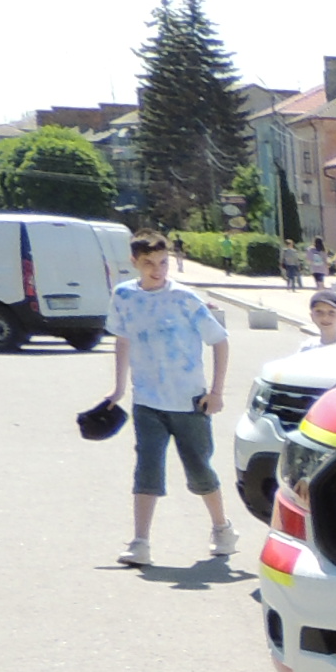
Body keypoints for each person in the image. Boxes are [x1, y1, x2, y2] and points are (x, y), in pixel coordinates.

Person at [101, 234, 238, 567]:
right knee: (146, 468)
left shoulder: (184, 298)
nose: (157, 269)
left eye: (163, 262)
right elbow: (122, 340)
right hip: (147, 400)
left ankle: (222, 528)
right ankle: (140, 542)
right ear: (134, 262)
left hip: (190, 401)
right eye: (148, 263)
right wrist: (118, 389)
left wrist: (216, 392)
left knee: (199, 470)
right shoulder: (124, 296)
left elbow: (219, 341)